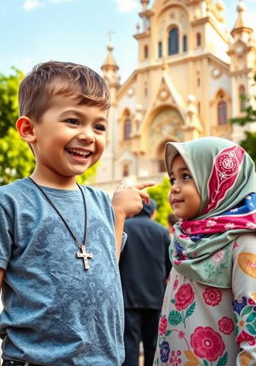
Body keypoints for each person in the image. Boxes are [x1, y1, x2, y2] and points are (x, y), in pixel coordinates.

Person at [0, 61, 155, 366]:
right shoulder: (11, 202)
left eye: (98, 126)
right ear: (29, 129)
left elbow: (104, 269)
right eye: (73, 121)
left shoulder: (99, 201)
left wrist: (119, 213)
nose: (88, 135)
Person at [154, 136, 256, 366]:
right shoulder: (185, 241)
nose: (175, 187)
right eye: (173, 178)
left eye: (186, 176)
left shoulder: (244, 243)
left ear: (221, 181)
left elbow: (253, 337)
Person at [119, 199, 171, 366]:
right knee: (153, 344)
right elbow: (170, 263)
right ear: (153, 212)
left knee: (129, 344)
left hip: (128, 297)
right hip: (155, 297)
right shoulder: (162, 232)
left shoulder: (124, 228)